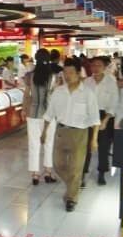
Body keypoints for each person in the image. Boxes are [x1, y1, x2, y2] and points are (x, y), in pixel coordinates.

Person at [41, 58, 100, 212]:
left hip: (80, 134)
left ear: (79, 73)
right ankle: (74, 183)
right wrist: (44, 132)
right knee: (57, 164)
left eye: (71, 72)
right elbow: (49, 113)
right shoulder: (58, 92)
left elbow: (95, 118)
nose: (67, 76)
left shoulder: (87, 93)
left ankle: (71, 198)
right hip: (61, 132)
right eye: (65, 72)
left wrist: (94, 140)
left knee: (76, 167)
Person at [22, 49, 57, 185]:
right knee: (49, 143)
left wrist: (24, 109)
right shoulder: (53, 76)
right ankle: (48, 172)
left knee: (33, 144)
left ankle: (35, 174)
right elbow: (55, 96)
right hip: (50, 114)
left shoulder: (29, 76)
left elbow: (26, 95)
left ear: (35, 59)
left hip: (33, 113)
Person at [82, 56, 119, 187]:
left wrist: (105, 120)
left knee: (104, 146)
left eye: (99, 65)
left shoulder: (110, 81)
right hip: (89, 116)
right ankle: (82, 173)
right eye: (93, 65)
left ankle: (101, 172)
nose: (96, 68)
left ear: (104, 67)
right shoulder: (87, 82)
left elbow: (114, 102)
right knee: (86, 146)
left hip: (105, 115)